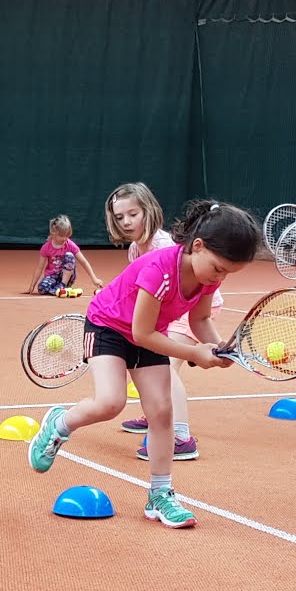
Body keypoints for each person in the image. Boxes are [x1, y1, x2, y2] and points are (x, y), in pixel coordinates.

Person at [26, 201, 261, 529]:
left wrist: (220, 347)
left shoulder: (208, 275)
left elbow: (200, 319)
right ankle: (59, 424)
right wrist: (194, 353)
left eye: (228, 272)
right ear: (198, 246)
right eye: (219, 268)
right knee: (110, 402)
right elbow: (142, 333)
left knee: (162, 411)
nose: (220, 276)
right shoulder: (160, 269)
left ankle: (160, 495)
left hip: (148, 332)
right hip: (108, 326)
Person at [105, 181, 219, 460]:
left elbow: (187, 291)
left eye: (133, 214)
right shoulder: (136, 248)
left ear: (149, 210)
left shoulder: (163, 245)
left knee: (166, 367)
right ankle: (156, 415)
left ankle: (180, 437)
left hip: (189, 308)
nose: (126, 222)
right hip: (168, 310)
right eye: (119, 217)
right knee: (151, 363)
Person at [33, 214, 102, 296]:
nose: (64, 239)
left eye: (67, 236)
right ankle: (59, 290)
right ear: (53, 233)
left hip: (67, 277)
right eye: (61, 236)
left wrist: (94, 279)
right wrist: (31, 287)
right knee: (42, 288)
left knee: (69, 255)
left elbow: (84, 262)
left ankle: (63, 285)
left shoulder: (70, 244)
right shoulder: (46, 247)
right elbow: (39, 268)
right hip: (52, 276)